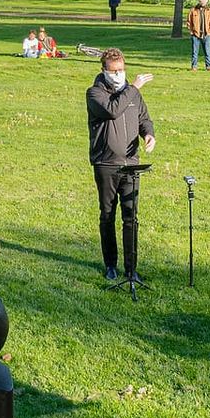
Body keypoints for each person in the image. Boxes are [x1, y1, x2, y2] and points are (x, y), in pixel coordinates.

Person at [85, 47, 154, 286]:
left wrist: (148, 134)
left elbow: (144, 117)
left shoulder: (132, 94)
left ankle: (131, 268)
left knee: (131, 217)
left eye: (122, 70)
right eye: (114, 71)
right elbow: (113, 111)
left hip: (131, 164)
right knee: (107, 215)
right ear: (104, 71)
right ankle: (110, 265)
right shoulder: (94, 93)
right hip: (105, 164)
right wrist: (133, 87)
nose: (119, 75)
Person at [186, 0, 210, 71]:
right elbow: (189, 22)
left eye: (204, 1)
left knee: (207, 51)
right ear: (199, 1)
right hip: (195, 35)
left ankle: (208, 66)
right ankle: (194, 66)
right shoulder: (193, 10)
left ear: (206, 2)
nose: (202, 2)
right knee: (194, 52)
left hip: (206, 34)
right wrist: (191, 31)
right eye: (201, 1)